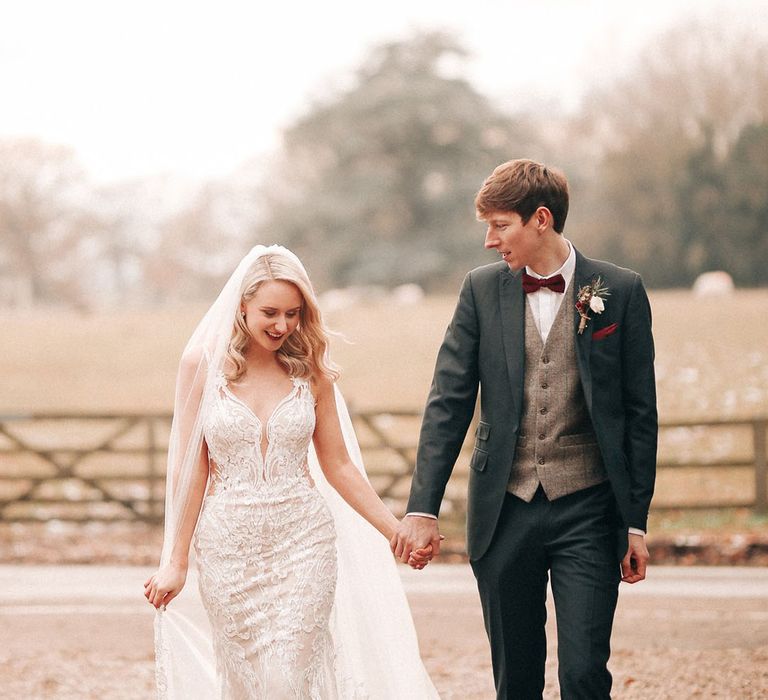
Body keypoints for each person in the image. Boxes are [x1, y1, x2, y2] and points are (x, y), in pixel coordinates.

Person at [392, 159, 657, 699]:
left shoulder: (620, 291)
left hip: (590, 507)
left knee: (584, 673)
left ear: (540, 219)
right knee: (516, 679)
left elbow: (638, 414)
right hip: (504, 509)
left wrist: (634, 521)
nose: (490, 241)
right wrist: (423, 508)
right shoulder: (480, 290)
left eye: (499, 225)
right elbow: (448, 401)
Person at [144, 245, 439, 699]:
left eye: (293, 314)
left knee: (286, 679)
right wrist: (176, 562)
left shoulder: (311, 373)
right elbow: (191, 470)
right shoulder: (200, 367)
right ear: (241, 306)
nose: (282, 325)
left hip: (303, 546)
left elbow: (338, 464)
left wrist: (394, 530)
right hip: (228, 551)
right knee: (247, 683)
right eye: (270, 312)